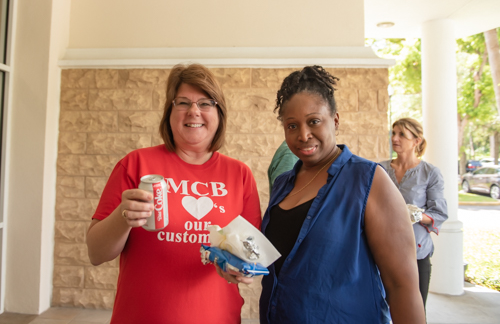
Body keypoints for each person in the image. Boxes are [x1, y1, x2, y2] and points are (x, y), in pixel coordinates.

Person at [86, 63, 262, 324]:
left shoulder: (240, 175)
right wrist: (123, 217)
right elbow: (96, 253)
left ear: (219, 113)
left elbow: (251, 254)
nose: (194, 111)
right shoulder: (135, 164)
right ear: (169, 112)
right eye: (183, 102)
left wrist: (240, 271)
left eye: (205, 103)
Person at [259, 65, 426, 324]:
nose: (303, 134)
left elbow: (401, 286)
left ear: (335, 120)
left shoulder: (368, 180)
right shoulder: (283, 184)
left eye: (314, 121)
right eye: (292, 125)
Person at [380, 118, 448, 310]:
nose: (395, 138)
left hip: (416, 254)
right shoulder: (380, 169)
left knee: (414, 314)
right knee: (381, 313)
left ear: (416, 140)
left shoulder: (430, 173)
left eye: (402, 134)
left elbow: (439, 212)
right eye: (393, 133)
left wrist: (416, 215)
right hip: (382, 253)